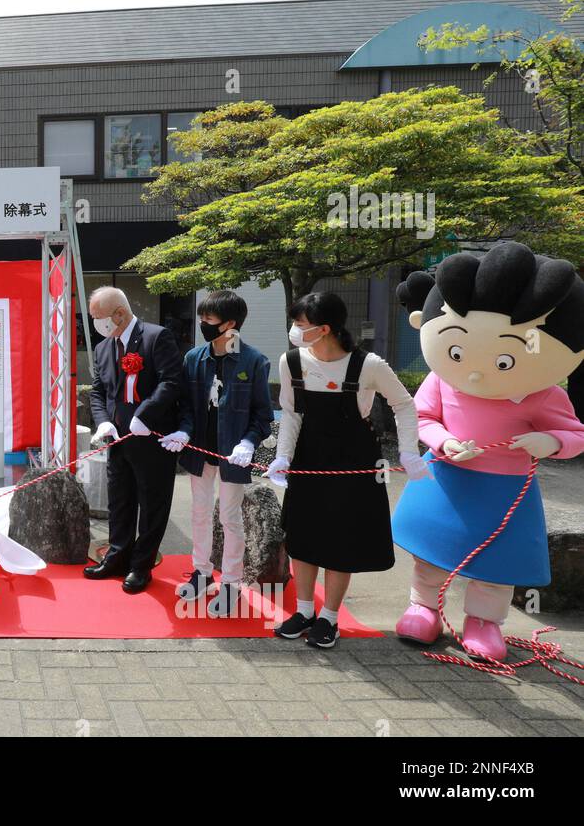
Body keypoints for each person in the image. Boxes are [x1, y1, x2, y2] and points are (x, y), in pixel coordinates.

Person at [392, 242, 584, 661]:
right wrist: (444, 441)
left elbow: (575, 434)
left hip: (505, 487)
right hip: (446, 477)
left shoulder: (543, 393)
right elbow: (421, 419)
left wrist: (549, 441)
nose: (475, 371)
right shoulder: (442, 381)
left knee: (494, 565)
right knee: (430, 554)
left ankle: (483, 621)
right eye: (458, 352)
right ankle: (422, 606)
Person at [267, 291, 429, 649]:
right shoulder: (291, 361)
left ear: (324, 329)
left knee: (341, 539)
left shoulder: (367, 365)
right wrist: (282, 457)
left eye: (300, 324)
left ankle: (330, 618)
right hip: (308, 459)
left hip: (353, 461)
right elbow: (292, 413)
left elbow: (404, 404)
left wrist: (408, 451)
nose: (294, 330)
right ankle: (305, 610)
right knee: (303, 536)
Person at [159, 290, 274, 616]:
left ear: (230, 324)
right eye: (202, 318)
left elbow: (263, 415)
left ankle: (232, 583)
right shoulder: (194, 358)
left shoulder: (254, 361)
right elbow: (185, 406)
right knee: (198, 511)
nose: (202, 324)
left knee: (229, 517)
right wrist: (183, 430)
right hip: (199, 451)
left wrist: (249, 442)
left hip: (232, 455)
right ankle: (202, 572)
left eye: (209, 319)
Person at [84, 286, 184, 594]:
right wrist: (102, 423)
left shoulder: (156, 337)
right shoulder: (104, 347)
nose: (96, 325)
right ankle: (117, 556)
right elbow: (99, 391)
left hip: (151, 437)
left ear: (120, 314)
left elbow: (171, 381)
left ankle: (141, 565)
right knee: (120, 501)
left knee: (152, 504)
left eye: (99, 318)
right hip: (118, 439)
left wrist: (145, 414)